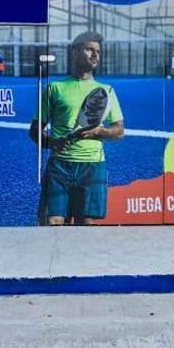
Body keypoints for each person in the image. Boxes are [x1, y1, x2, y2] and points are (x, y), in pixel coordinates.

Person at [29, 31, 124, 225]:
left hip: (93, 166)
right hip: (60, 166)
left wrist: (102, 132)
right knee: (52, 222)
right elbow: (34, 130)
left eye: (98, 51)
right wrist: (51, 142)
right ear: (74, 52)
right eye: (89, 49)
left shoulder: (107, 90)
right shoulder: (55, 88)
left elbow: (119, 130)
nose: (95, 54)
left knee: (86, 225)